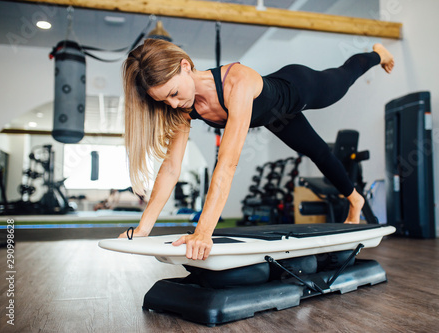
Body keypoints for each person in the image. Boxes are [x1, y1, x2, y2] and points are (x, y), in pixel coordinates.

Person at [118, 39, 395, 261]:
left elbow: (227, 165)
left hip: (297, 88)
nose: (173, 104)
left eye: (173, 93)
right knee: (319, 152)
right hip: (276, 118)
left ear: (185, 66)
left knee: (343, 78)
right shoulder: (185, 109)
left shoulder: (236, 81)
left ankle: (376, 55)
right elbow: (170, 168)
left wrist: (203, 232)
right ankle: (356, 200)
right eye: (164, 100)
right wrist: (142, 230)